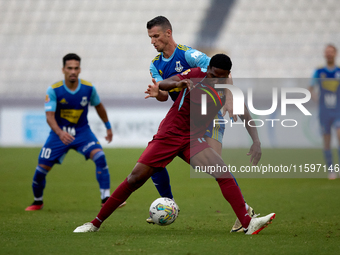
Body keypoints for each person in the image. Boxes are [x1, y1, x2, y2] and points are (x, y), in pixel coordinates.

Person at [73, 54, 275, 235]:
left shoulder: (227, 91)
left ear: (228, 75)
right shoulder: (196, 74)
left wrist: (256, 141)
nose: (214, 79)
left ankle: (248, 223)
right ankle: (95, 223)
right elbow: (164, 84)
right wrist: (178, 84)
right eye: (212, 74)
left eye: (220, 77)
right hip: (170, 135)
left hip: (193, 139)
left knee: (222, 172)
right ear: (208, 70)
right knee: (135, 179)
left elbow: (246, 114)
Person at [145, 16, 259, 232]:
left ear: (168, 33)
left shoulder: (189, 54)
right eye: (150, 37)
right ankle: (168, 203)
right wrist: (156, 94)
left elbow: (224, 72)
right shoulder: (155, 65)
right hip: (183, 119)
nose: (152, 41)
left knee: (217, 167)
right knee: (153, 161)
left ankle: (244, 211)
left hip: (208, 115)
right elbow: (162, 95)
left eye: (156, 36)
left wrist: (231, 98)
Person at [25, 53, 125, 211]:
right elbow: (49, 117)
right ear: (63, 69)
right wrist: (59, 133)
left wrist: (108, 126)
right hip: (59, 135)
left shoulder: (88, 88)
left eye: (76, 68)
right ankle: (38, 201)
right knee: (40, 171)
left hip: (82, 133)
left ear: (80, 70)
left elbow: (99, 106)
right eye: (69, 68)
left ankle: (106, 198)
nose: (73, 71)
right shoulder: (54, 90)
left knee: (100, 157)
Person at [309, 44, 340, 180]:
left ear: (335, 54)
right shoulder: (319, 71)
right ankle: (331, 170)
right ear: (324, 54)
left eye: (331, 52)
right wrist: (317, 100)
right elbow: (310, 88)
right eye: (327, 52)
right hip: (324, 112)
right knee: (326, 141)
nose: (329, 54)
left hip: (338, 111)